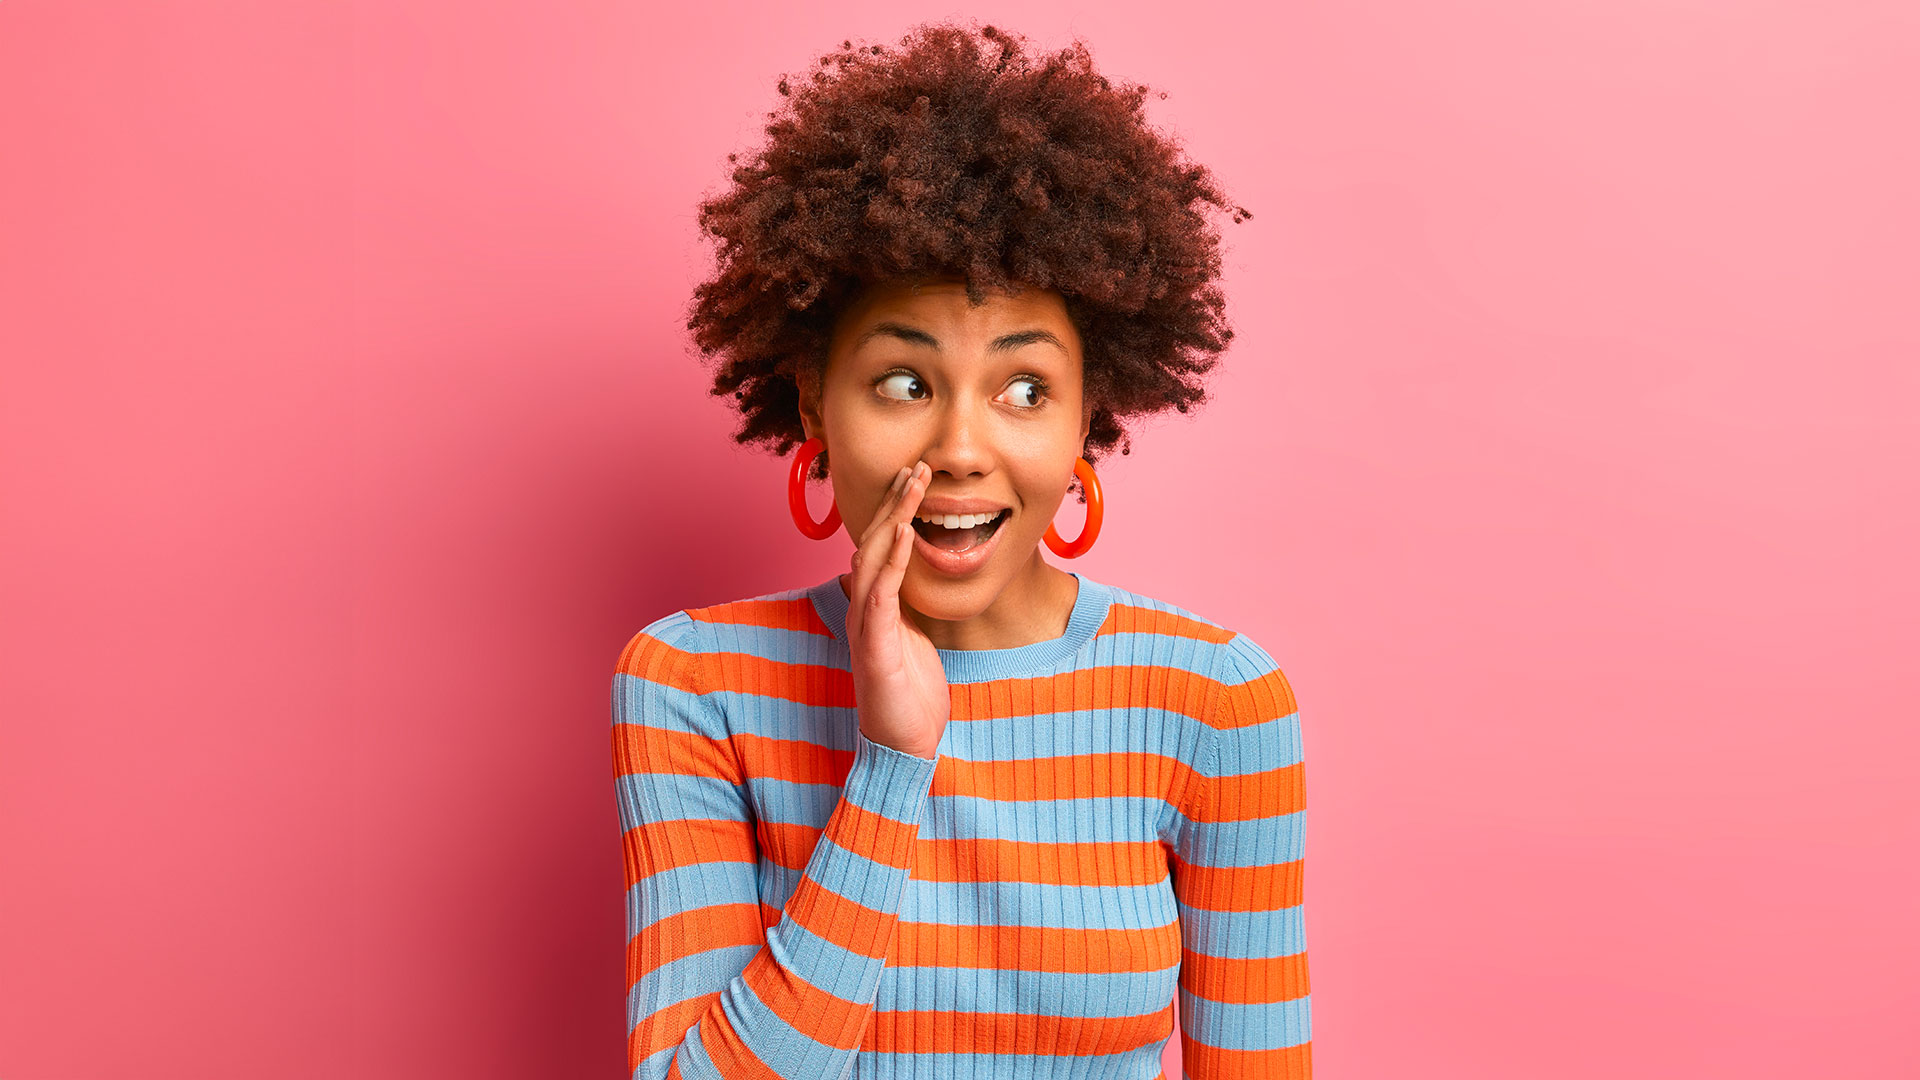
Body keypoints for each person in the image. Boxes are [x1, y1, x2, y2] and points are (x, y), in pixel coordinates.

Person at [611, 21, 1309, 1079]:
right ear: (815, 403)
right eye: (904, 383)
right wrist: (891, 765)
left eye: (1026, 390)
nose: (961, 449)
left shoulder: (1214, 701)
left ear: (1087, 418)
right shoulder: (692, 685)